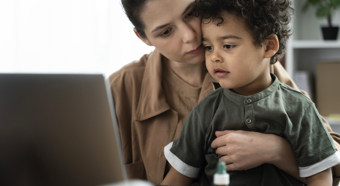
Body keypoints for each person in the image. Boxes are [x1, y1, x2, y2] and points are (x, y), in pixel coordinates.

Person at [109, 0, 340, 185]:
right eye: (166, 31)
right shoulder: (119, 89)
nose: (190, 36)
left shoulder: (261, 67)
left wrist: (277, 151)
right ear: (144, 37)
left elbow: (330, 162)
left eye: (190, 13)